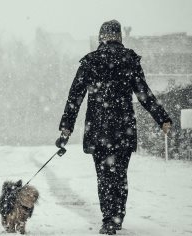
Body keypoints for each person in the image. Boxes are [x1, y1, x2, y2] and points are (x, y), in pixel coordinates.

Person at [56, 20, 172, 235]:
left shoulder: (90, 62)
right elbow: (143, 93)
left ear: (101, 37)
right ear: (119, 36)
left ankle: (108, 218)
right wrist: (162, 118)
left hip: (98, 129)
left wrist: (66, 127)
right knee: (120, 174)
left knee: (104, 176)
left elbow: (75, 97)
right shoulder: (129, 60)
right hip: (123, 128)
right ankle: (117, 216)